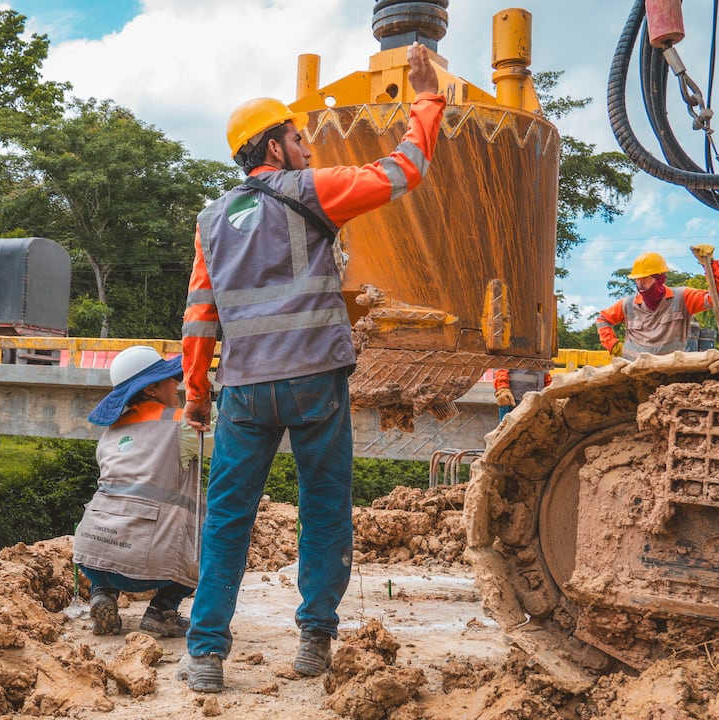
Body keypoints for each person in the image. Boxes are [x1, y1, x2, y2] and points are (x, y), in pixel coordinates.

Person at [177, 42, 445, 694]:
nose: (308, 148)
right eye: (299, 138)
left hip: (242, 391)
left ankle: (207, 653)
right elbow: (404, 170)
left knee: (228, 520)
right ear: (275, 148)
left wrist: (194, 395)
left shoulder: (212, 220)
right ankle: (314, 639)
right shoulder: (314, 190)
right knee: (323, 510)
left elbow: (199, 317)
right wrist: (427, 99)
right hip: (314, 381)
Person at [72, 345, 204, 638]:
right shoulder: (180, 423)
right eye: (172, 378)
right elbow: (230, 433)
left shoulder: (111, 432)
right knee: (207, 546)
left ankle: (102, 593)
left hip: (90, 554)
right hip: (145, 566)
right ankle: (162, 611)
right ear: (153, 390)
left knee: (114, 530)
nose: (178, 383)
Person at [596, 245, 719, 360]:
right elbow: (602, 319)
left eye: (646, 278)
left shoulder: (682, 298)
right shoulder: (627, 304)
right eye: (637, 279)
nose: (640, 283)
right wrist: (613, 345)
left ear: (660, 278)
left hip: (669, 374)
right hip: (634, 372)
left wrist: (709, 265)